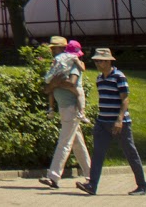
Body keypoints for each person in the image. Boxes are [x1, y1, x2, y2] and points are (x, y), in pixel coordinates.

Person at [78, 47, 146, 196]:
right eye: (96, 61)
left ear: (109, 61)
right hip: (102, 122)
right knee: (97, 154)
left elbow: (125, 99)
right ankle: (92, 185)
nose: (97, 63)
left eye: (100, 61)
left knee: (130, 153)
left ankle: (142, 185)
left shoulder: (119, 76)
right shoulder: (99, 78)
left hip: (120, 123)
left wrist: (119, 120)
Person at [41, 35, 91, 188]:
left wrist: (56, 83)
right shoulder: (58, 64)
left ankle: (53, 177)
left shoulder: (73, 64)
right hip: (64, 107)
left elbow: (72, 83)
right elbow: (47, 88)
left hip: (71, 108)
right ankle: (91, 175)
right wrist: (53, 85)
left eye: (54, 48)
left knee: (65, 142)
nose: (52, 51)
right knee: (77, 143)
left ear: (63, 49)